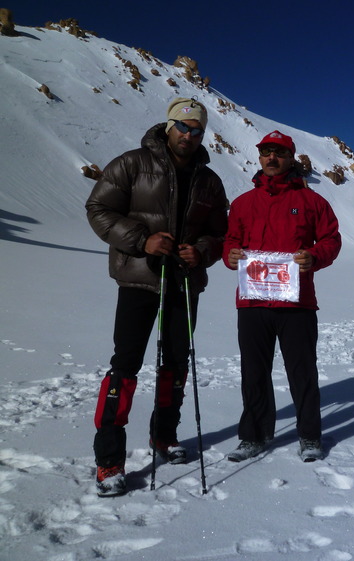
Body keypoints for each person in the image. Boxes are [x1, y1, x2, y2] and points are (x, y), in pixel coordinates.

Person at [85, 97, 228, 496]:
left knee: (176, 364)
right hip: (139, 281)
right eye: (183, 126)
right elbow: (98, 208)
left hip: (183, 283)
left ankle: (164, 437)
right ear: (168, 126)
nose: (189, 134)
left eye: (197, 129)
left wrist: (201, 250)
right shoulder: (132, 164)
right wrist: (142, 240)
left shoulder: (209, 180)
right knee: (125, 365)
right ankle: (109, 460)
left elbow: (221, 233)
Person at [223, 130, 341, 463]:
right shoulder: (243, 203)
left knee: (303, 371)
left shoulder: (312, 202)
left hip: (297, 303)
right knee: (253, 372)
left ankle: (309, 435)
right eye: (266, 152)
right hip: (252, 302)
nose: (271, 158)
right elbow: (230, 240)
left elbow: (331, 239)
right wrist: (230, 254)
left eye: (279, 153)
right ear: (259, 158)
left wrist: (314, 257)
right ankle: (254, 436)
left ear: (291, 158)